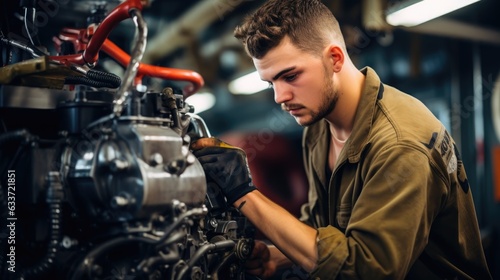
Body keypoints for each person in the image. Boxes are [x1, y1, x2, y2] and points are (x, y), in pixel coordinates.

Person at [190, 0, 493, 279]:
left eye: (290, 76)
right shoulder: (319, 128)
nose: (280, 97)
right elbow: (322, 227)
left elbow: (364, 270)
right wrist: (277, 255)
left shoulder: (399, 145)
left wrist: (245, 194)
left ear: (334, 58)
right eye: (271, 82)